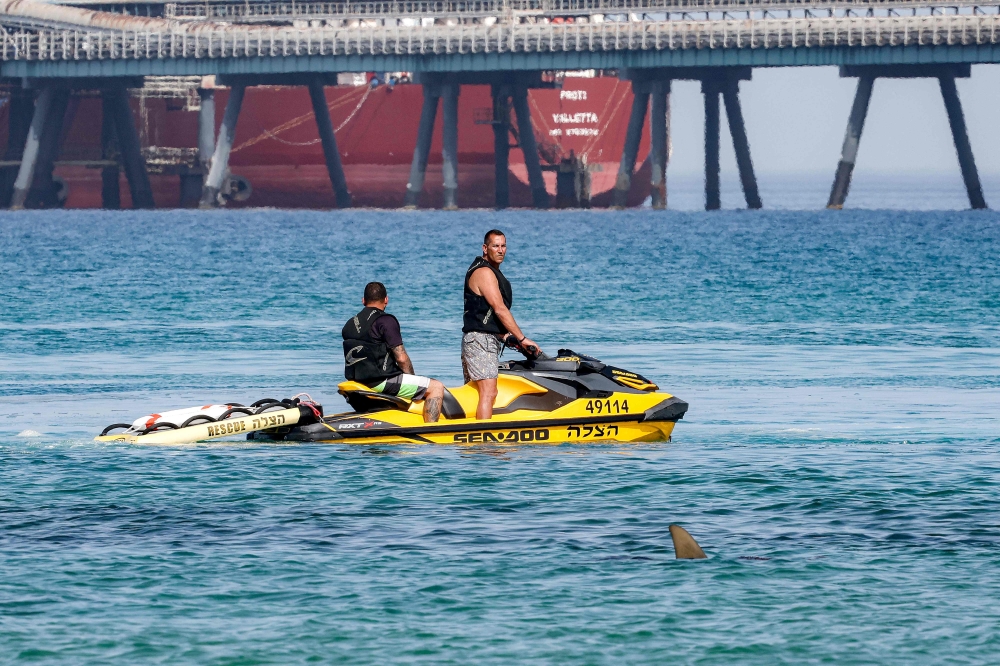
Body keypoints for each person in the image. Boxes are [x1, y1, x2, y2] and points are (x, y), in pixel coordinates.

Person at [462, 229, 541, 420]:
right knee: (489, 393)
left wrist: (506, 336)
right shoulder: (484, 272)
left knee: (479, 393)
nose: (500, 250)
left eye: (503, 246)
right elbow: (499, 309)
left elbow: (483, 316)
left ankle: (475, 445)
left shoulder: (490, 271)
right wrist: (522, 339)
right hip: (480, 342)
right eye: (495, 246)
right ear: (485, 248)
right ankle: (484, 440)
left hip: (480, 340)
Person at [342, 282, 445, 422]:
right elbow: (401, 358)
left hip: (357, 381)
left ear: (363, 300)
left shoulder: (349, 324)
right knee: (436, 387)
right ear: (386, 300)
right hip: (381, 382)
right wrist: (413, 379)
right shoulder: (385, 321)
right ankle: (431, 429)